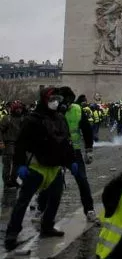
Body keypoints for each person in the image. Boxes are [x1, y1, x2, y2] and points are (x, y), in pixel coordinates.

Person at [5, 87, 77, 249]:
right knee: (23, 202)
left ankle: (47, 226)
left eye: (57, 98)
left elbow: (66, 142)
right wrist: (20, 165)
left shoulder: (60, 118)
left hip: (55, 167)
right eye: (52, 99)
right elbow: (21, 145)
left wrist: (71, 161)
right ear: (44, 99)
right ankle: (12, 234)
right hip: (36, 167)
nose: (56, 102)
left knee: (55, 199)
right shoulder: (32, 120)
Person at [66, 91, 98, 222]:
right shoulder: (52, 110)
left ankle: (89, 209)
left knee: (83, 181)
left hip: (74, 150)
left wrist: (89, 149)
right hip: (56, 151)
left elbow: (87, 130)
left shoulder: (77, 110)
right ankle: (41, 208)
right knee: (51, 183)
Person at [0, 101, 26, 188]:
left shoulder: (23, 119)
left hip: (20, 145)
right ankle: (7, 182)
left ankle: (15, 181)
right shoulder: (7, 119)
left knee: (18, 165)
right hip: (8, 145)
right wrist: (1, 142)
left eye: (20, 109)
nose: (19, 110)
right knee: (7, 165)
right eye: (17, 109)